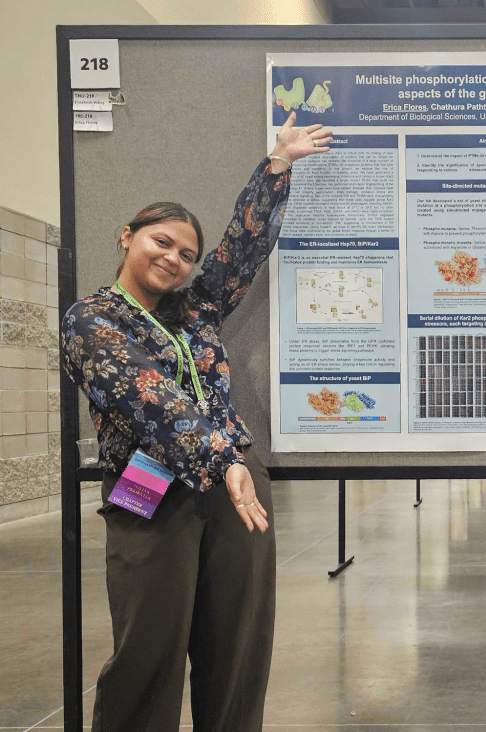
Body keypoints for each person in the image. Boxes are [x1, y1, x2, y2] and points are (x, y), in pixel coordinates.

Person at [61, 111, 332, 732]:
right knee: (147, 643)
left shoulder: (198, 306)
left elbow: (243, 245)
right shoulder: (92, 320)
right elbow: (148, 397)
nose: (175, 259)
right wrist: (223, 460)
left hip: (237, 483)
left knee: (238, 641)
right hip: (145, 482)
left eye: (186, 253)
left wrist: (278, 166)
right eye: (162, 243)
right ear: (127, 236)